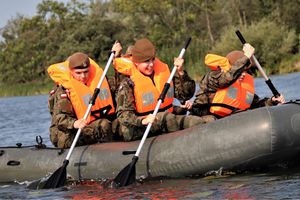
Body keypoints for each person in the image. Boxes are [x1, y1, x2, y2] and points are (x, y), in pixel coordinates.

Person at [113, 38, 215, 141]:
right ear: (137, 63)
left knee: (207, 119)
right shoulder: (128, 83)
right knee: (166, 117)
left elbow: (185, 95)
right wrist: (143, 120)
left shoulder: (161, 74)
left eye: (152, 59)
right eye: (146, 61)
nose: (151, 64)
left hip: (163, 120)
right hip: (137, 128)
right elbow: (123, 115)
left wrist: (181, 73)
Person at [48, 44, 122, 148]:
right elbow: (59, 119)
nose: (83, 76)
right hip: (69, 133)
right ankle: (108, 154)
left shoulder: (99, 81)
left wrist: (117, 58)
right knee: (103, 125)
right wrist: (74, 123)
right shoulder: (64, 90)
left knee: (117, 123)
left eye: (86, 72)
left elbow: (121, 85)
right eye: (78, 73)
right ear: (71, 71)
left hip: (92, 126)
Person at [190, 43, 285, 118]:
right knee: (211, 119)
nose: (243, 74)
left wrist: (272, 101)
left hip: (230, 122)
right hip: (205, 119)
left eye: (246, 71)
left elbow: (256, 105)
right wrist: (246, 56)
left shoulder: (242, 85)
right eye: (240, 70)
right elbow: (227, 78)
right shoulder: (213, 77)